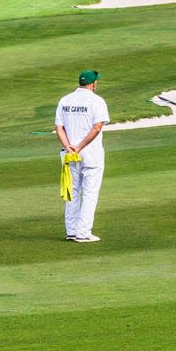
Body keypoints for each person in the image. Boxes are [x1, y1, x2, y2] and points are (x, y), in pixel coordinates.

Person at [55, 68, 111, 243]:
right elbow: (97, 128)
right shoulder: (97, 101)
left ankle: (71, 230)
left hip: (69, 153)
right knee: (89, 193)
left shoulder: (65, 100)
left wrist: (69, 147)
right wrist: (79, 147)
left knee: (72, 192)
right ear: (93, 84)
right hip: (90, 154)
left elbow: (59, 128)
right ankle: (83, 232)